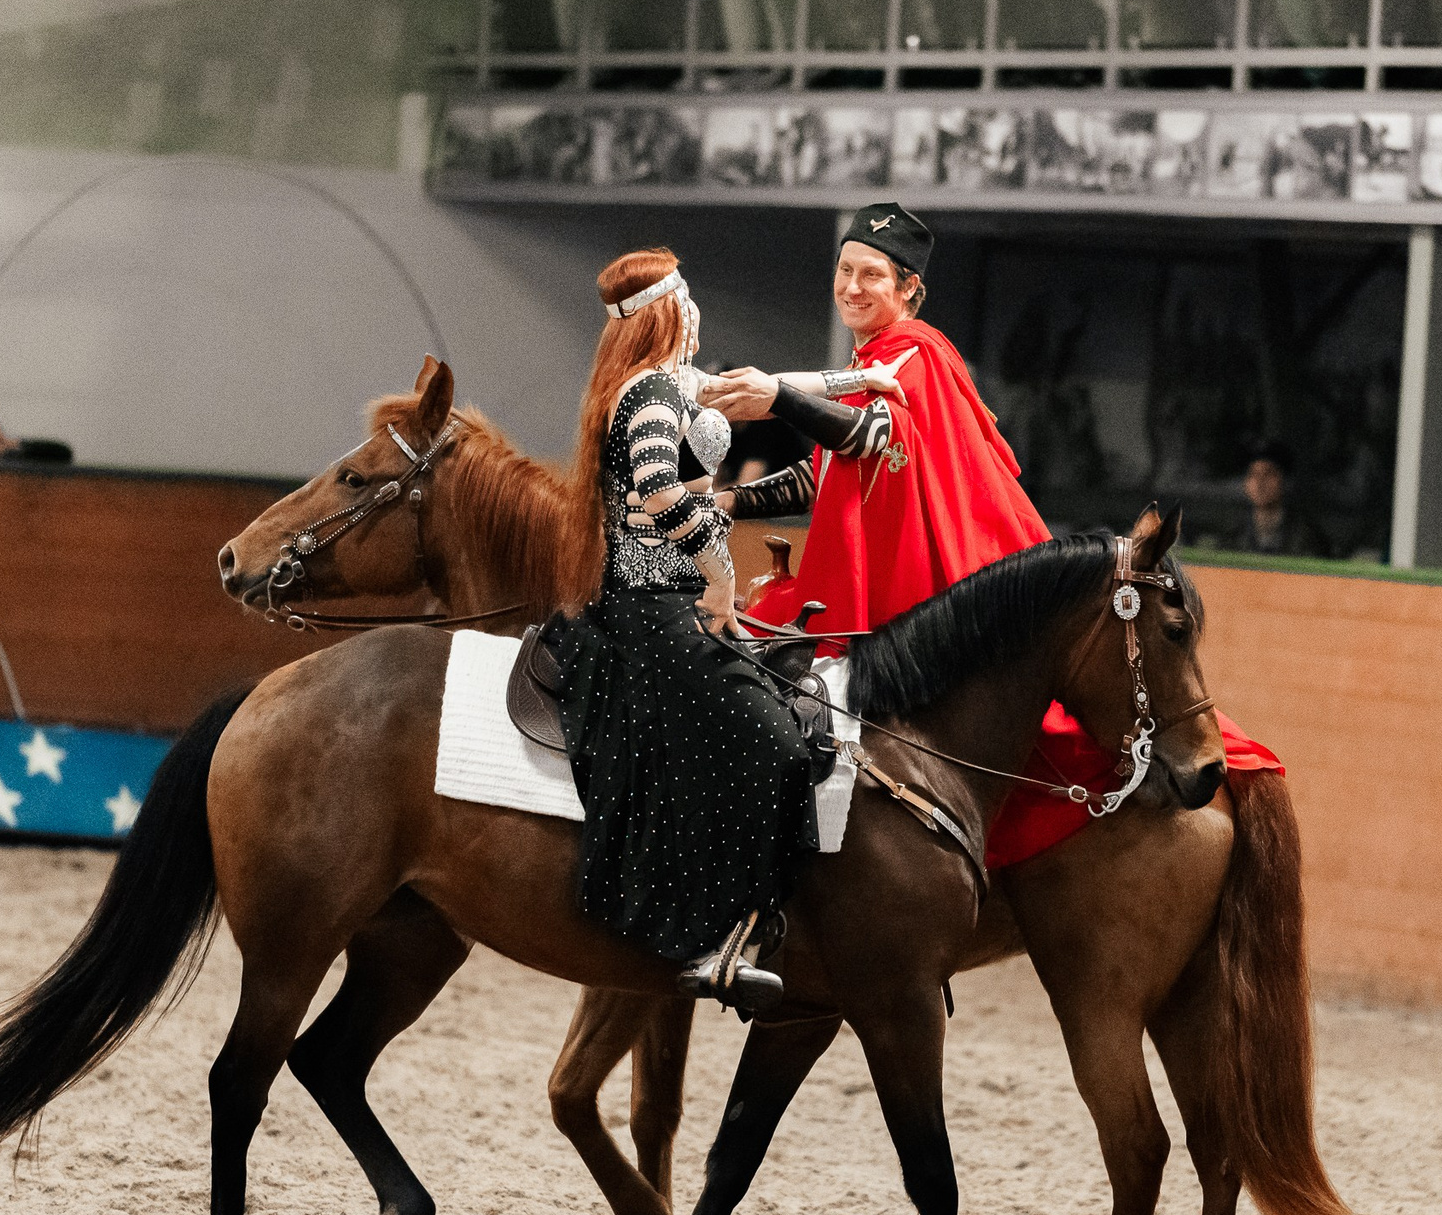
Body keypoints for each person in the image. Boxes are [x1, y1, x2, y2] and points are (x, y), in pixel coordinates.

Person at [707, 200, 1281, 871]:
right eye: (844, 271)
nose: (852, 287)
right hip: (855, 582)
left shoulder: (915, 357)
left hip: (908, 600)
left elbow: (866, 437)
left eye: (872, 275)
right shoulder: (877, 362)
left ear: (909, 290)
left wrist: (777, 395)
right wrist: (727, 502)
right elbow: (824, 474)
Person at [552, 248, 822, 1007]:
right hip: (653, 606)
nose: (700, 309)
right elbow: (663, 496)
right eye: (689, 297)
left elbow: (761, 389)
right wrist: (721, 577)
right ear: (671, 311)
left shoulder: (673, 383)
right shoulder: (650, 396)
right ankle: (715, 939)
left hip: (671, 600)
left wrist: (860, 381)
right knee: (772, 743)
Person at [1220, 442, 1332, 557]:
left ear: (1284, 481)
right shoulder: (1232, 534)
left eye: (1269, 474)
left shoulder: (1306, 536)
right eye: (1253, 475)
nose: (1260, 483)